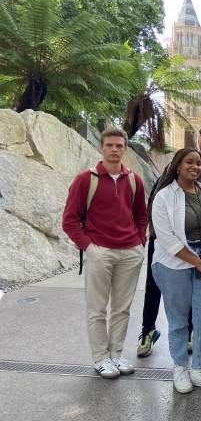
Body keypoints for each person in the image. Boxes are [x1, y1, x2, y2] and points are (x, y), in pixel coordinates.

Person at [137, 124, 201, 358]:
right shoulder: (173, 169)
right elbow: (156, 197)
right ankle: (147, 330)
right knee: (155, 286)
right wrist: (154, 230)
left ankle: (190, 334)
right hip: (166, 241)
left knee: (196, 293)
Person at [62, 128, 147, 379]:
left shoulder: (134, 180)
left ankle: (116, 354)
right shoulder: (85, 180)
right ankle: (100, 358)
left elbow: (141, 215)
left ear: (125, 149)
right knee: (97, 309)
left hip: (130, 252)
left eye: (119, 145)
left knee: (122, 308)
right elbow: (69, 221)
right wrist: (89, 248)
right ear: (101, 148)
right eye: (109, 145)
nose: (114, 150)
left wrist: (139, 242)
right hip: (100, 251)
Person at [151, 148, 201, 393]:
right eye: (189, 162)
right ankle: (180, 367)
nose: (195, 167)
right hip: (173, 266)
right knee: (178, 320)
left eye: (198, 163)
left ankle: (200, 368)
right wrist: (198, 262)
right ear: (177, 166)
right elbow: (167, 239)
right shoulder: (164, 197)